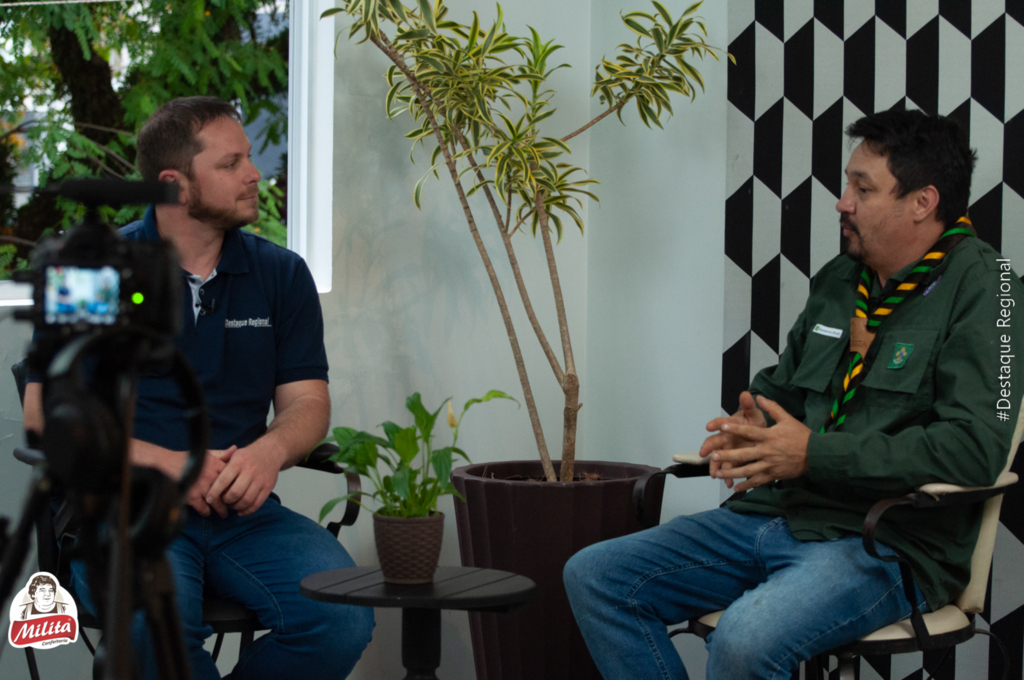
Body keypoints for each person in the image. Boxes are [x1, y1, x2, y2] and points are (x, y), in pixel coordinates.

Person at [563, 108, 1024, 679]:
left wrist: (814, 454)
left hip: (885, 543)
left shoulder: (990, 286)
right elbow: (782, 389)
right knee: (597, 577)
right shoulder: (840, 279)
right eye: (847, 184)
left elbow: (975, 448)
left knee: (745, 639)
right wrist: (748, 426)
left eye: (863, 188)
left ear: (922, 202)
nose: (842, 202)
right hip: (777, 514)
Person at [23, 96, 374, 680]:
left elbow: (308, 403)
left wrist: (270, 451)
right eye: (231, 163)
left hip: (245, 514)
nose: (254, 174)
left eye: (250, 159)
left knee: (340, 617)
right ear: (176, 186)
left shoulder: (281, 274)